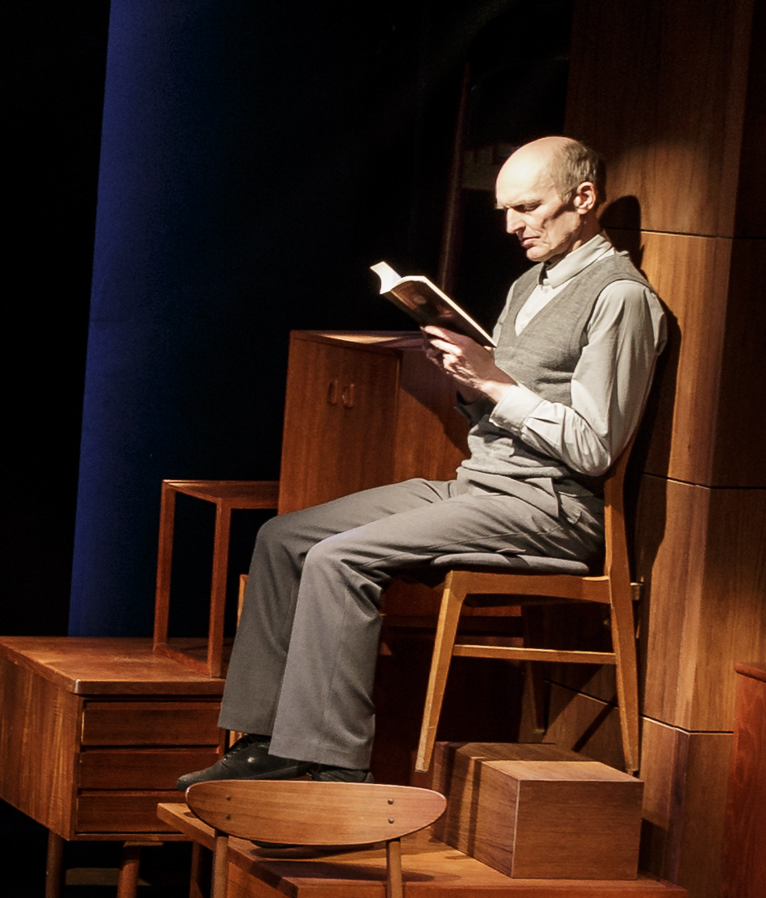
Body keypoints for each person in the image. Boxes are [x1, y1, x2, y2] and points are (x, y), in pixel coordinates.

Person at [187, 134, 673, 787]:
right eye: (505, 210)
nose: (512, 225)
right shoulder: (530, 283)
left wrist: (493, 382)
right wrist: (469, 383)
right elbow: (502, 413)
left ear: (584, 199)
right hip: (482, 486)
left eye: (528, 207)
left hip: (551, 508)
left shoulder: (621, 298)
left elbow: (593, 446)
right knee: (283, 538)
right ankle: (266, 741)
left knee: (340, 559)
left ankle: (333, 768)